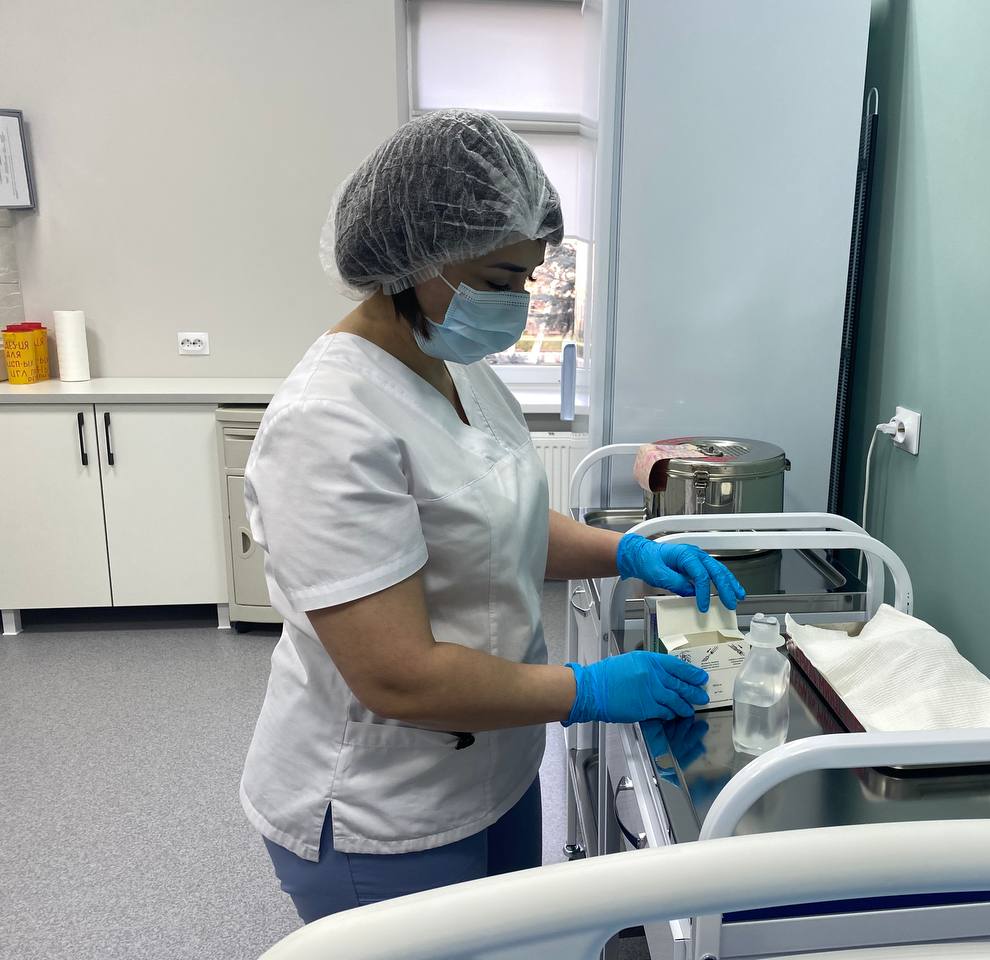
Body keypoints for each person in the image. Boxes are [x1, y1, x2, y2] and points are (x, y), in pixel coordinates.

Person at [240, 109, 745, 923]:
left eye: (527, 281)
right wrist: (587, 689)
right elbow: (397, 674)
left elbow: (498, 520)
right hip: (382, 808)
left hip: (497, 766)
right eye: (501, 280)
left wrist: (625, 552)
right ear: (416, 258)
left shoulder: (453, 364)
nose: (518, 304)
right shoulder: (327, 422)